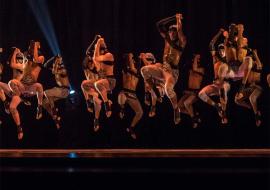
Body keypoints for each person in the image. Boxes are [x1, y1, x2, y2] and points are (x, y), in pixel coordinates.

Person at [141, 13, 186, 125]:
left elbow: (180, 30)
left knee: (168, 90)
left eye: (174, 31)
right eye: (170, 31)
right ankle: (155, 92)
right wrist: (172, 17)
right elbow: (159, 25)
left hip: (172, 72)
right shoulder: (167, 38)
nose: (171, 33)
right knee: (144, 70)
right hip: (162, 68)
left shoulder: (182, 41)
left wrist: (178, 20)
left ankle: (176, 109)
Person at [8, 41, 45, 140]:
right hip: (22, 88)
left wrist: (36, 46)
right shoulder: (25, 63)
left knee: (39, 86)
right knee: (11, 83)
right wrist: (16, 52)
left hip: (31, 88)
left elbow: (36, 58)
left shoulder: (40, 59)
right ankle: (19, 128)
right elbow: (12, 64)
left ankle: (39, 107)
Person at [118, 53, 143, 139]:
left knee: (140, 113)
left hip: (133, 94)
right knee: (121, 95)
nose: (133, 61)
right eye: (132, 60)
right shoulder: (126, 69)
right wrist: (130, 56)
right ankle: (122, 108)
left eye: (133, 60)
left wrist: (139, 59)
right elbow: (128, 61)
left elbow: (138, 67)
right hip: (125, 93)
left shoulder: (137, 71)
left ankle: (131, 128)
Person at [235, 50, 263, 127]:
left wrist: (255, 54)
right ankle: (252, 108)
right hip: (250, 87)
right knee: (237, 100)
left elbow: (259, 66)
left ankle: (257, 116)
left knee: (252, 98)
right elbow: (238, 76)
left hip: (258, 87)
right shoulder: (246, 67)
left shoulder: (256, 64)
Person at [93, 37, 116, 131]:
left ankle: (107, 104)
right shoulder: (98, 63)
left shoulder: (109, 55)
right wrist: (97, 43)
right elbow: (95, 57)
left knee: (97, 84)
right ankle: (96, 119)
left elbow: (95, 57)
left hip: (110, 82)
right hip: (102, 84)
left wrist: (98, 42)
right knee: (85, 85)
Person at [43, 55, 70, 129]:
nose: (54, 64)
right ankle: (56, 119)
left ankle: (54, 110)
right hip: (59, 91)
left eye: (56, 63)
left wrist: (57, 61)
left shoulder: (63, 70)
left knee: (46, 92)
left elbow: (54, 71)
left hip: (64, 91)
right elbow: (45, 65)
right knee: (44, 103)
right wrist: (54, 57)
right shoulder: (56, 68)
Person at [178, 54, 204, 128]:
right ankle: (195, 114)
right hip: (189, 91)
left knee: (186, 103)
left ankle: (194, 119)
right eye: (196, 58)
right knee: (179, 108)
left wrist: (195, 57)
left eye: (198, 59)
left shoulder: (202, 69)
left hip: (196, 92)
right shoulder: (190, 69)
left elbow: (195, 68)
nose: (197, 60)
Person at [140, 52, 164, 117]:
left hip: (162, 86)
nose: (146, 62)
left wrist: (143, 58)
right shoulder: (147, 69)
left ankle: (153, 106)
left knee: (147, 75)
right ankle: (148, 97)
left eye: (148, 60)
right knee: (146, 78)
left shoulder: (158, 65)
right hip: (155, 88)